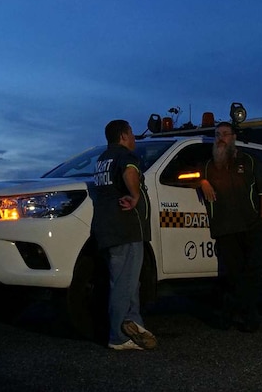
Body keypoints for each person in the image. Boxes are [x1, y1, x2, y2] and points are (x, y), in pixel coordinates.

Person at [199, 121, 262, 332]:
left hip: (251, 226)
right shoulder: (208, 165)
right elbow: (193, 176)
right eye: (217, 134)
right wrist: (203, 182)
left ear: (233, 137)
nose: (221, 138)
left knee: (254, 271)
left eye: (225, 134)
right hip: (225, 228)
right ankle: (240, 314)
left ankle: (241, 311)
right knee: (233, 274)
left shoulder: (249, 161)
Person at [92, 119, 157, 351]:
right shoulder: (125, 156)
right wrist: (135, 195)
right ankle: (118, 336)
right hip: (125, 228)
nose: (134, 138)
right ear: (123, 136)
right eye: (131, 133)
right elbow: (130, 172)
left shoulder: (102, 159)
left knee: (128, 281)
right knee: (123, 283)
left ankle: (133, 324)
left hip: (108, 228)